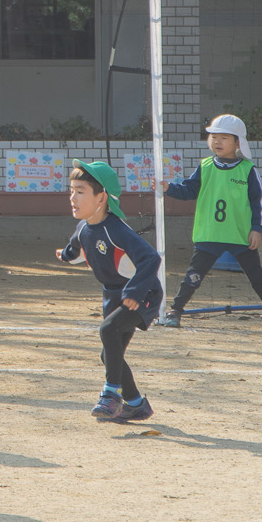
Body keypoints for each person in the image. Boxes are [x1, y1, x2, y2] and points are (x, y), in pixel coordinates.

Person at [158, 114, 262, 330]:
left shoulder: (248, 170)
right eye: (213, 137)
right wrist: (169, 188)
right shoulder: (205, 166)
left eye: (224, 138)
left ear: (238, 142)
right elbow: (189, 190)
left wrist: (256, 229)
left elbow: (258, 203)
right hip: (209, 233)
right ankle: (175, 311)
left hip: (239, 235)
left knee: (257, 277)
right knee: (193, 277)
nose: (217, 142)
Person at [57, 162, 163, 424]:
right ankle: (136, 404)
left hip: (142, 293)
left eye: (80, 191)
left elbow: (151, 259)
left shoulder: (117, 230)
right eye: (71, 191)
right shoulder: (84, 228)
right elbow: (75, 248)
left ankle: (111, 395)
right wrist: (65, 256)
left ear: (102, 197)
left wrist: (136, 292)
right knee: (109, 354)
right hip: (113, 295)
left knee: (108, 330)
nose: (72, 198)